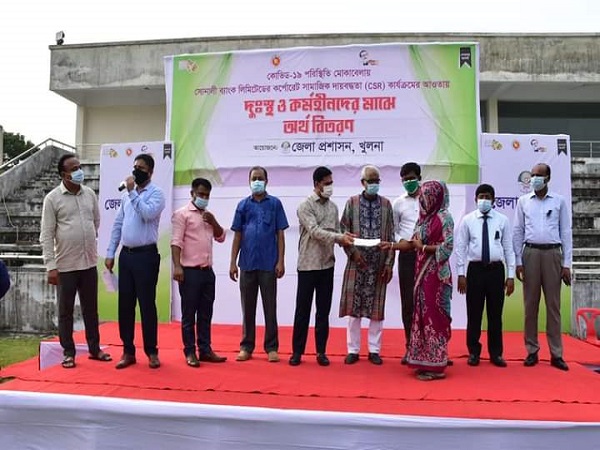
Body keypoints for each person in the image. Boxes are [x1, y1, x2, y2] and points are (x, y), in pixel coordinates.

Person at [40, 153, 111, 369]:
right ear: (64, 174)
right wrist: (51, 266)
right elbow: (46, 234)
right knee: (66, 312)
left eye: (79, 167)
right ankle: (68, 353)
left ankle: (95, 349)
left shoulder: (89, 194)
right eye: (74, 169)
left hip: (88, 263)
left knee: (91, 310)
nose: (79, 171)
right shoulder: (52, 199)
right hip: (65, 266)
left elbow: (96, 221)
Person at [289, 167, 354, 367]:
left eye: (331, 182)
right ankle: (297, 352)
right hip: (308, 265)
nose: (330, 186)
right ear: (316, 184)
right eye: (326, 183)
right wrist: (339, 237)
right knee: (302, 311)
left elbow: (338, 232)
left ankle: (321, 352)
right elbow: (315, 231)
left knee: (323, 311)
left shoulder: (333, 207)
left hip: (327, 264)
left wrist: (349, 241)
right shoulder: (305, 205)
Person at [106, 153, 166, 369]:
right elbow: (118, 225)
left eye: (140, 168)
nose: (135, 171)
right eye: (134, 167)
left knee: (147, 304)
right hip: (127, 256)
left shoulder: (157, 193)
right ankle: (128, 351)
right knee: (125, 305)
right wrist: (111, 252)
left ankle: (152, 351)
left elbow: (148, 214)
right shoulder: (126, 198)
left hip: (146, 256)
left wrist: (132, 192)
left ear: (150, 171)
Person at [513, 163, 572, 371]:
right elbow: (518, 231)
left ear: (548, 178)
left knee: (553, 306)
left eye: (538, 175)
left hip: (553, 253)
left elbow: (566, 232)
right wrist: (518, 261)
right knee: (530, 305)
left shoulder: (559, 201)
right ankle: (532, 350)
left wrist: (566, 263)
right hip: (530, 253)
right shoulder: (523, 201)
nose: (534, 178)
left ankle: (556, 354)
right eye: (532, 175)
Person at [229, 166, 289, 363]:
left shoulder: (275, 204)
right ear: (249, 181)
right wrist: (232, 262)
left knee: (270, 307)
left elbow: (280, 234)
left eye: (260, 178)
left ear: (266, 181)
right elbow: (237, 235)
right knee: (247, 308)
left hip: (268, 263)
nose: (257, 181)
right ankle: (246, 346)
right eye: (254, 178)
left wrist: (281, 261)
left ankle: (271, 347)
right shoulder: (242, 205)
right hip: (247, 263)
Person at [339, 165, 395, 365]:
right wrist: (353, 253)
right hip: (357, 263)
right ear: (362, 182)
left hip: (378, 264)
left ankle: (374, 350)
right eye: (370, 181)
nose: (374, 184)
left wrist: (389, 263)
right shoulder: (351, 203)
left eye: (377, 181)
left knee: (376, 310)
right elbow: (342, 231)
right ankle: (353, 350)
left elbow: (391, 235)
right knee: (354, 310)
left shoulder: (387, 205)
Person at [456, 183, 515, 368]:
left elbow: (508, 248)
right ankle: (474, 352)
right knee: (474, 313)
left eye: (488, 197)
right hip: (475, 270)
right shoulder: (467, 220)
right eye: (481, 197)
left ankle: (496, 354)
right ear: (475, 199)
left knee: (495, 314)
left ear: (494, 200)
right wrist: (461, 274)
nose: (484, 200)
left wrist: (511, 275)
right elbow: (460, 248)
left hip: (496, 270)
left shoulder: (502, 220)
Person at [171, 178, 227, 368]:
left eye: (207, 195)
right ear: (192, 193)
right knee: (189, 314)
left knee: (205, 313)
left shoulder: (208, 216)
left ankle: (205, 350)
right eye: (201, 194)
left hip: (207, 272)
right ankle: (190, 352)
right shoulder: (182, 214)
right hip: (189, 272)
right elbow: (176, 242)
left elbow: (221, 237)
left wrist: (214, 221)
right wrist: (177, 267)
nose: (204, 198)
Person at [407, 180, 453, 381]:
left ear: (436, 197)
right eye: (422, 196)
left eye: (427, 196)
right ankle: (422, 360)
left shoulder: (445, 218)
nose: (424, 200)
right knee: (421, 315)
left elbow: (447, 247)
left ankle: (436, 364)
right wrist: (390, 246)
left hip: (437, 276)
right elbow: (413, 242)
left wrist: (424, 248)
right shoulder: (422, 219)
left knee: (435, 315)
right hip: (421, 274)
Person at [392, 162, 422, 364]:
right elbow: (393, 230)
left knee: (428, 303)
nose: (408, 182)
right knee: (408, 303)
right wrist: (401, 241)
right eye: (405, 180)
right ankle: (410, 347)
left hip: (427, 255)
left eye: (411, 178)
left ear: (419, 177)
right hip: (407, 256)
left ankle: (432, 350)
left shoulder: (430, 199)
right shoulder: (398, 203)